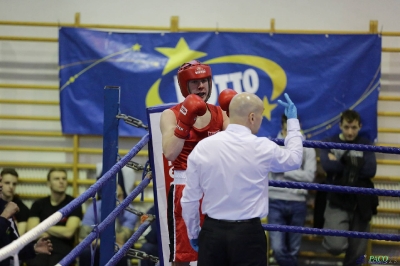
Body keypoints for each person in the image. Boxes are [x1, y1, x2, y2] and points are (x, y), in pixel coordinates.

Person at [181, 92, 304, 266]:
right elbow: (294, 159)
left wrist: (194, 233)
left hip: (212, 234)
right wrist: (292, 123)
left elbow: (189, 199)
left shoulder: (203, 147)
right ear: (252, 117)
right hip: (248, 235)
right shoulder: (262, 147)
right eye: (261, 116)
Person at [159, 60, 230, 265]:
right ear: (184, 86)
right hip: (184, 187)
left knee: (215, 256)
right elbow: (170, 153)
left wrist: (237, 114)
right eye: (195, 82)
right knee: (182, 257)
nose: (201, 86)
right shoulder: (170, 115)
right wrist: (184, 122)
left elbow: (241, 142)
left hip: (215, 188)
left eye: (205, 81)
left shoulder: (221, 114)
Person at [319, 109, 378, 266]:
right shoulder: (328, 141)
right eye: (346, 127)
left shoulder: (366, 144)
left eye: (353, 127)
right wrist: (355, 164)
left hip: (361, 200)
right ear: (340, 126)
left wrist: (341, 161)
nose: (350, 132)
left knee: (357, 254)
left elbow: (370, 170)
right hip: (337, 198)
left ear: (360, 126)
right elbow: (327, 166)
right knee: (335, 245)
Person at [268, 114, 317, 266]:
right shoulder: (272, 146)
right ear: (282, 127)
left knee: (293, 250)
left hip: (298, 202)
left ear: (299, 127)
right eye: (287, 128)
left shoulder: (307, 147)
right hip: (275, 200)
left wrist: (285, 169)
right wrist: (294, 168)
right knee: (278, 248)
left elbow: (309, 176)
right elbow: (268, 170)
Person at [26, 168, 83, 266]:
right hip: (40, 247)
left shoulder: (74, 204)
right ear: (48, 183)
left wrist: (42, 226)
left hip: (63, 249)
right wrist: (59, 230)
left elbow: (68, 232)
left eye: (64, 179)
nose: (61, 181)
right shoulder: (38, 204)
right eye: (57, 179)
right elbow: (32, 231)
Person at [0, 171, 53, 266]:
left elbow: (13, 246)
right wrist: (4, 216)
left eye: (0, 181)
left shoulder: (6, 207)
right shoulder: (7, 210)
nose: (1, 185)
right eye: (6, 182)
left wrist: (33, 248)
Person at [78, 184, 138, 266]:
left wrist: (114, 214)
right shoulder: (93, 208)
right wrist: (106, 243)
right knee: (86, 253)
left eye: (120, 196)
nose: (117, 200)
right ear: (105, 197)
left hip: (117, 248)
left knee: (120, 253)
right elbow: (82, 239)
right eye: (113, 197)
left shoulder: (130, 211)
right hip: (99, 247)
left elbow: (121, 240)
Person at [0, 168, 30, 235]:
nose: (11, 186)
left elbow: (19, 235)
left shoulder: (22, 208)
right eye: (7, 183)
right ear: (0, 183)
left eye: (14, 184)